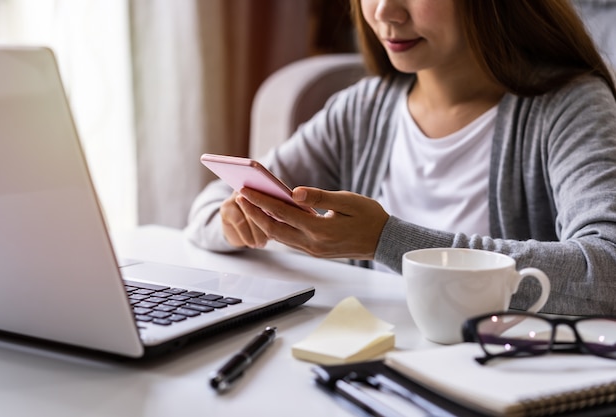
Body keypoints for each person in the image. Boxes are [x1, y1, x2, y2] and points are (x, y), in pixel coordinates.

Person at [185, 0, 616, 316]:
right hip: (370, 362)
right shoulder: (363, 108)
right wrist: (234, 223)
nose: (386, 12)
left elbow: (607, 269)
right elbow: (207, 206)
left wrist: (385, 240)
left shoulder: (569, 106)